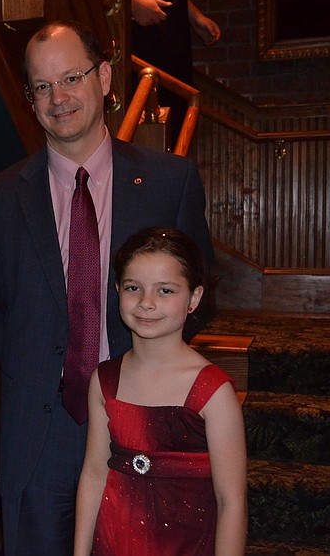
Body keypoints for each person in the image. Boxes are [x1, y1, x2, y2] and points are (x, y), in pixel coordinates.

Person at [0, 20, 215, 555]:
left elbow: (199, 290)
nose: (59, 98)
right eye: (42, 86)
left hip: (143, 422)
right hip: (41, 432)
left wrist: (151, 377)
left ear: (103, 78)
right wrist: (39, 371)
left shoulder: (170, 183)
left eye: (71, 77)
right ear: (30, 99)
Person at [74, 227, 246, 555]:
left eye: (165, 290)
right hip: (114, 543)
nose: (146, 303)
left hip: (186, 545)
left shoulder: (212, 391)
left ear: (194, 298)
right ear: (117, 291)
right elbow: (94, 474)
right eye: (133, 288)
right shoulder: (105, 380)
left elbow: (231, 502)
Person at [131, 0, 221, 147]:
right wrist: (131, 2)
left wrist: (193, 15)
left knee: (177, 122)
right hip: (136, 36)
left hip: (172, 31)